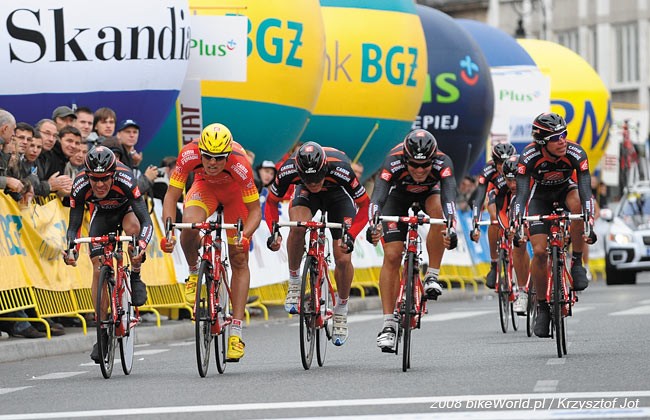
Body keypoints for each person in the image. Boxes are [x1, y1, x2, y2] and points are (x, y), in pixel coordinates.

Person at [160, 123, 261, 362]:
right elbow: (171, 196)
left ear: (227, 155)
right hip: (204, 189)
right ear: (200, 152)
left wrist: (244, 236)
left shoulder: (240, 164)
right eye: (207, 157)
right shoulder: (187, 154)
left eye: (218, 158)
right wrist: (168, 232)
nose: (212, 163)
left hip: (235, 195)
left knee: (238, 257)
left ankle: (235, 332)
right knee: (189, 227)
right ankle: (194, 273)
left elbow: (255, 211)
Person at [265, 141, 369, 346]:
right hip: (305, 197)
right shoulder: (288, 169)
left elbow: (365, 205)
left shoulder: (341, 169)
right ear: (299, 172)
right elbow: (271, 202)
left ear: (324, 169)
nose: (314, 183)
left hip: (338, 196)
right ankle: (295, 282)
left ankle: (341, 310)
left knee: (343, 256)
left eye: (317, 178)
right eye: (308, 179)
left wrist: (352, 235)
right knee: (297, 228)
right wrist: (273, 231)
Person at [366, 129, 458, 352]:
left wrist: (450, 227)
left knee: (438, 212)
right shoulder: (393, 161)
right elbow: (378, 197)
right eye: (414, 165)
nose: (420, 170)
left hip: (430, 195)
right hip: (397, 197)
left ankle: (432, 276)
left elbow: (449, 199)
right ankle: (388, 325)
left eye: (425, 165)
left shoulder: (443, 162)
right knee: (392, 255)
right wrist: (374, 225)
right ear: (405, 159)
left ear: (432, 160)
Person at [63, 146, 152, 362]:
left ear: (113, 174)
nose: (100, 184)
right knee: (97, 267)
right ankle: (102, 329)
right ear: (88, 175)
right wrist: (71, 249)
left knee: (132, 230)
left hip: (127, 211)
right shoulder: (80, 184)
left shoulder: (126, 179)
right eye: (95, 179)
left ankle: (136, 275)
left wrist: (141, 245)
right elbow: (74, 225)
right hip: (102, 215)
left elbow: (146, 221)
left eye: (104, 179)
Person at [512, 112, 596, 338]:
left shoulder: (576, 152)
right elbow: (521, 195)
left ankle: (577, 262)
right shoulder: (528, 156)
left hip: (566, 190)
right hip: (539, 197)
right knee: (539, 252)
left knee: (578, 204)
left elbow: (585, 188)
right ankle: (542, 306)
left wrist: (589, 217)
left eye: (564, 135)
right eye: (555, 138)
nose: (562, 141)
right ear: (541, 142)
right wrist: (518, 221)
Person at [482, 154, 531, 313]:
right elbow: (497, 210)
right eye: (509, 180)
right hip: (506, 204)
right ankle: (496, 265)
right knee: (498, 226)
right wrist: (509, 227)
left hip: (530, 204)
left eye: (515, 180)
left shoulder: (529, 177)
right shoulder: (496, 180)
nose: (512, 184)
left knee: (536, 245)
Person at [469, 143, 517, 288]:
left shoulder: (519, 166)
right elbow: (478, 198)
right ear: (495, 163)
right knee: (494, 218)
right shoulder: (488, 170)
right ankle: (494, 263)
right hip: (496, 191)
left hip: (515, 191)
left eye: (506, 161)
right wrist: (475, 224)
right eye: (500, 163)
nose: (504, 166)